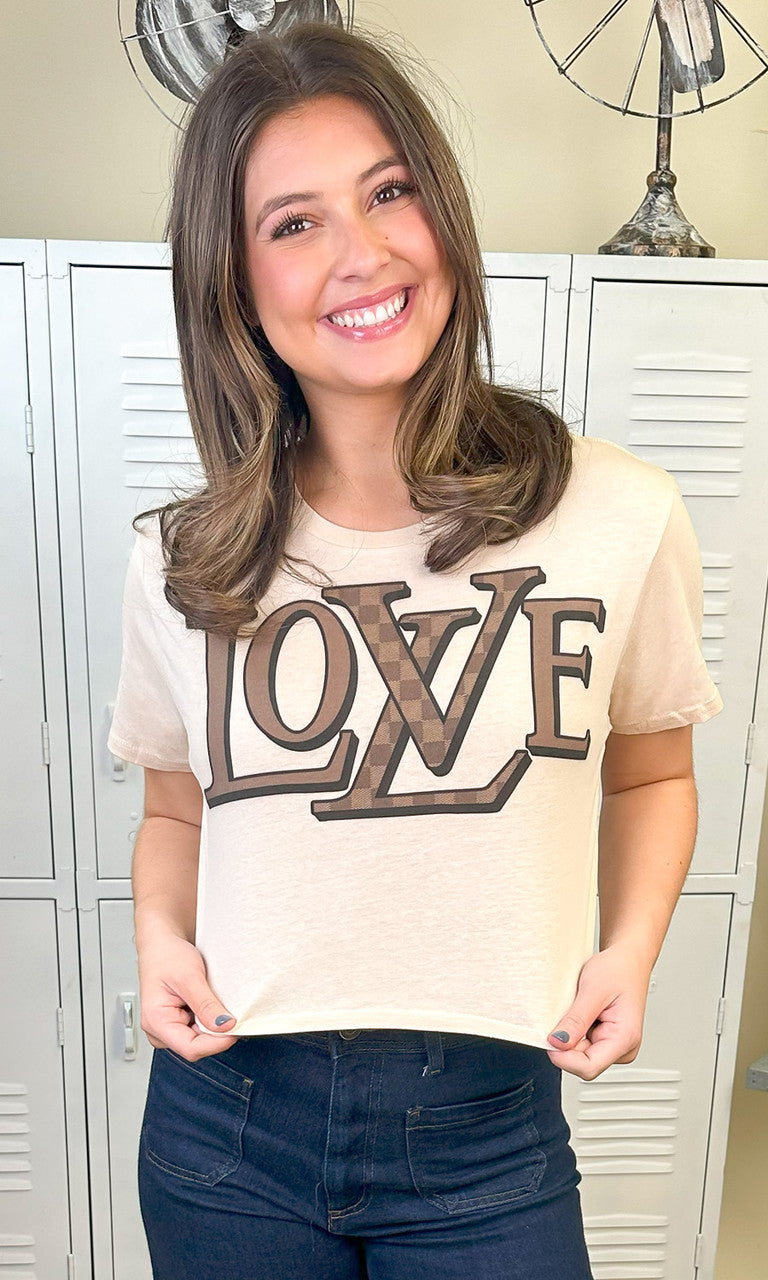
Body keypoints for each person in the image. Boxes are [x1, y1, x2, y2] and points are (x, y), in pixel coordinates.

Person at [107, 20, 724, 1280]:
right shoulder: (183, 556)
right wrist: (160, 940)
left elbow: (654, 774)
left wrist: (629, 949)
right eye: (295, 222)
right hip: (226, 1128)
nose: (364, 252)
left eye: (389, 192)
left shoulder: (620, 513)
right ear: (233, 281)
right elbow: (175, 810)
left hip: (491, 1129)